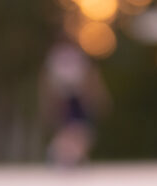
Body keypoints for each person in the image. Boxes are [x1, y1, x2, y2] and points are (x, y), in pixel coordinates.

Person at [39, 38, 110, 167]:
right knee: (73, 132)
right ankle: (64, 157)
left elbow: (91, 78)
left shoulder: (76, 56)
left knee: (80, 133)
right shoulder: (57, 57)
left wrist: (97, 97)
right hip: (65, 101)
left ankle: (67, 157)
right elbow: (48, 82)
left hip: (78, 100)